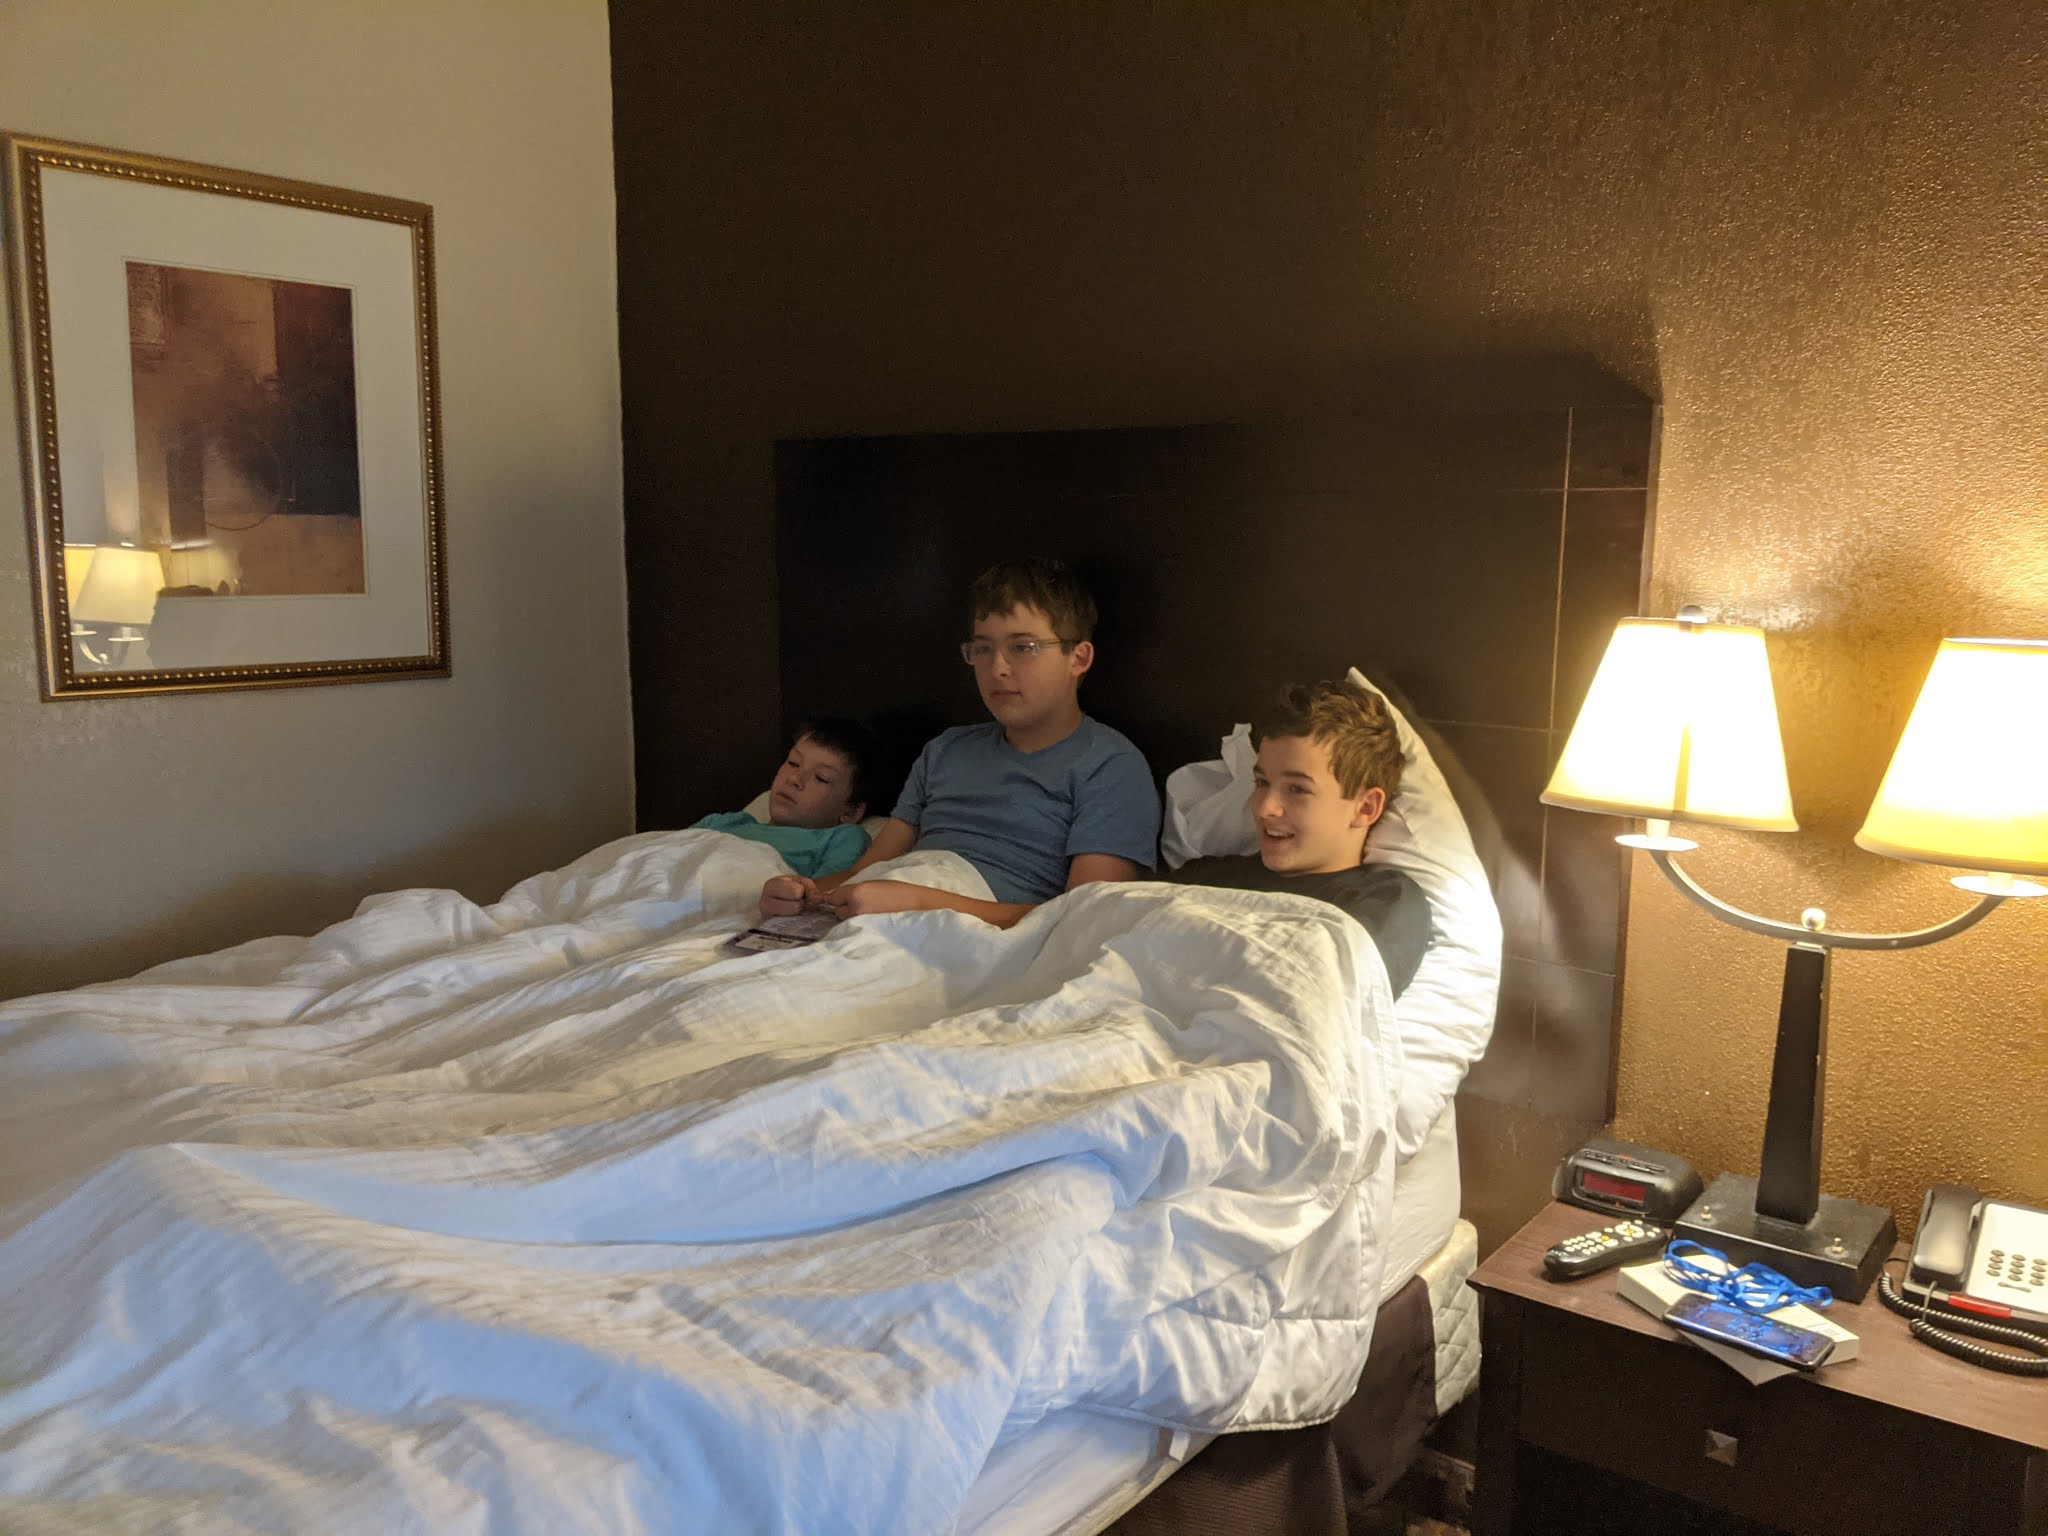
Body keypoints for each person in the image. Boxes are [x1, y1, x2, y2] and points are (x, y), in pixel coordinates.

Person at [759, 557, 1160, 928]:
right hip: (896, 901)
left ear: (1079, 658)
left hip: (976, 930)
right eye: (983, 648)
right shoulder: (946, 750)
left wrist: (919, 902)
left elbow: (1083, 918)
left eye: (1023, 647)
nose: (997, 667)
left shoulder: (1109, 765)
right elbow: (864, 874)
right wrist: (805, 892)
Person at [1168, 678, 1432, 997]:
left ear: (1365, 808)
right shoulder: (1205, 876)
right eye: (1262, 783)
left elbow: (1328, 996)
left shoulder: (1382, 902)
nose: (1264, 808)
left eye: (1297, 789)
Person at [695, 718, 880, 879]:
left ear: (850, 812)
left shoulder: (840, 838)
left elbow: (826, 892)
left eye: (821, 778)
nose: (794, 779)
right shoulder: (722, 823)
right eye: (793, 763)